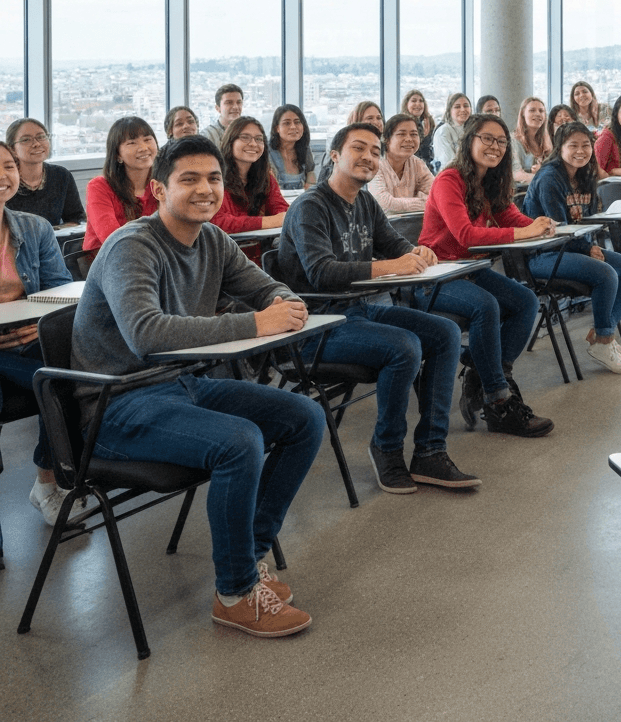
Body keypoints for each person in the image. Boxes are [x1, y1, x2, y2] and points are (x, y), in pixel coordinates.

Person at [71, 134, 323, 638]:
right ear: (160, 191)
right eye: (189, 179)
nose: (205, 189)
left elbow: (265, 287)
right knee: (239, 442)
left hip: (179, 385)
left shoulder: (211, 239)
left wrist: (285, 304)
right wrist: (257, 324)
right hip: (115, 405)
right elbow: (147, 333)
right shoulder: (132, 246)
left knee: (305, 418)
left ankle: (246, 564)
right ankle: (234, 593)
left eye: (213, 178)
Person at [277, 121, 477, 493]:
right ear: (334, 155)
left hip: (358, 311)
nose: (369, 157)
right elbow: (321, 273)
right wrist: (394, 265)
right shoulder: (311, 207)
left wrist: (416, 252)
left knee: (444, 333)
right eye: (358, 148)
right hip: (314, 327)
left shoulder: (365, 202)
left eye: (374, 151)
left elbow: (393, 245)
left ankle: (431, 451)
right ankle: (385, 448)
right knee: (404, 346)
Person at [418, 112, 555, 438]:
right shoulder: (449, 180)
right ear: (470, 141)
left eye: (501, 141)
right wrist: (524, 234)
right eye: (487, 139)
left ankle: (482, 372)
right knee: (486, 307)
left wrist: (543, 226)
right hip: (436, 275)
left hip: (471, 270)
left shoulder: (490, 180)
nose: (495, 146)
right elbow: (465, 235)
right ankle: (498, 400)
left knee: (525, 301)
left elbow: (513, 217)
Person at [0, 139, 82, 526]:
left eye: (8, 166)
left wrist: (34, 321)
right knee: (50, 381)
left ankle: (48, 481)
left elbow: (61, 293)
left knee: (66, 376)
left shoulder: (33, 228)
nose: (3, 176)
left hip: (29, 340)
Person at [523, 122, 621, 373]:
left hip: (574, 248)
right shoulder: (549, 178)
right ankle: (605, 340)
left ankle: (601, 333)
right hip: (544, 253)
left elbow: (584, 220)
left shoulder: (585, 173)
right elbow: (560, 227)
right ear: (559, 148)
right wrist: (587, 249)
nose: (581, 151)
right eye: (572, 145)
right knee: (606, 273)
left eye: (586, 145)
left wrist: (587, 247)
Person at [212, 117, 288, 263]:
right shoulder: (215, 177)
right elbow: (219, 221)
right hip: (224, 260)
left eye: (259, 139)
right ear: (230, 141)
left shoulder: (265, 177)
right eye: (245, 137)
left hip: (259, 258)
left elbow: (281, 209)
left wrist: (279, 217)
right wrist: (269, 221)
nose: (253, 144)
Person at [83, 117, 159, 254]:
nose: (143, 148)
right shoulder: (99, 186)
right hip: (107, 261)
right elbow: (113, 239)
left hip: (154, 260)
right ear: (118, 155)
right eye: (132, 143)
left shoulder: (162, 184)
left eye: (147, 139)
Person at [5, 118, 85, 227]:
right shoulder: (6, 180)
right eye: (26, 140)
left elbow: (76, 219)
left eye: (41, 137)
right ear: (12, 148)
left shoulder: (61, 175)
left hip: (55, 240)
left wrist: (48, 236)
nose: (36, 144)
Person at [367, 113, 433, 214]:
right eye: (401, 134)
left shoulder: (417, 163)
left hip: (411, 225)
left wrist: (399, 204)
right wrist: (422, 201)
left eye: (414, 134)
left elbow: (439, 196)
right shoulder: (374, 164)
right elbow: (385, 204)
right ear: (387, 139)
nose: (409, 139)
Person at [268, 104, 316, 189]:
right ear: (277, 128)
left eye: (297, 122)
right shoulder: (266, 152)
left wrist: (310, 184)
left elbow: (311, 172)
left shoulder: (305, 149)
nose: (293, 127)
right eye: (287, 123)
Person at [510, 96, 552, 184]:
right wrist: (544, 176)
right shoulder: (513, 140)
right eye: (532, 110)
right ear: (523, 114)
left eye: (541, 111)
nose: (537, 114)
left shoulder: (547, 142)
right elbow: (516, 174)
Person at [432, 92, 473, 168]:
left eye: (466, 106)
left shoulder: (473, 129)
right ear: (450, 111)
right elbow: (448, 163)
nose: (463, 109)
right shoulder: (443, 131)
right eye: (457, 107)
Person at [401, 89, 435, 169]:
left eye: (421, 101)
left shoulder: (428, 122)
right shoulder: (402, 123)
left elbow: (429, 153)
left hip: (427, 166)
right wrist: (423, 137)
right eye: (414, 101)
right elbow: (409, 154)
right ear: (406, 104)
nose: (418, 104)